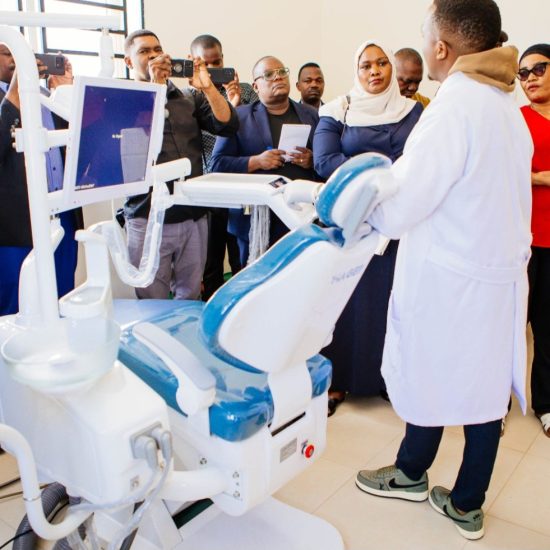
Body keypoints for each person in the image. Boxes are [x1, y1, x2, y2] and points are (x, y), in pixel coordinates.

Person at [355, 0, 532, 541]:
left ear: (441, 46)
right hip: (494, 276)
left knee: (429, 370)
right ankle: (464, 500)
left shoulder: (454, 105)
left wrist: (361, 205)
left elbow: (404, 205)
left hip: (451, 279)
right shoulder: (504, 103)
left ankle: (413, 474)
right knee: (484, 389)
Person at [313, 41, 422, 415]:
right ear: (356, 71)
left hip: (396, 222)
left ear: (392, 68)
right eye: (365, 65)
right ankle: (337, 381)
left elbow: (419, 160)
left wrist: (367, 169)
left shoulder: (412, 111)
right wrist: (383, 174)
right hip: (351, 219)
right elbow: (325, 161)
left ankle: (386, 378)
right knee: (344, 300)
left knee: (389, 300)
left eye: (381, 64)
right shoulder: (337, 110)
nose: (374, 71)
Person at [123, 30, 239, 300]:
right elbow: (138, 144)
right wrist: (156, 86)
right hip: (147, 215)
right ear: (128, 61)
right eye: (144, 51)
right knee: (152, 300)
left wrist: (207, 87)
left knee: (190, 295)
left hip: (192, 214)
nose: (154, 55)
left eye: (157, 49)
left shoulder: (188, 97)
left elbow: (227, 125)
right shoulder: (124, 99)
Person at [211, 56, 319, 265]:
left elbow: (325, 160)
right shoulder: (238, 117)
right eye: (269, 75)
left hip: (302, 218)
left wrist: (311, 160)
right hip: (255, 221)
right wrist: (256, 162)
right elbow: (217, 164)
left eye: (282, 72)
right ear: (255, 86)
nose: (278, 77)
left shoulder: (311, 115)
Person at [0, 45, 81, 315]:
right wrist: (15, 93)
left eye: (23, 52)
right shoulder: (7, 99)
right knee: (17, 305)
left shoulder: (50, 97)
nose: (18, 58)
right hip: (16, 224)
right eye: (8, 53)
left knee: (62, 297)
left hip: (63, 214)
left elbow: (81, 140)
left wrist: (66, 89)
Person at [190, 34, 258, 300]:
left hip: (239, 183)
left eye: (217, 62)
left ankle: (241, 307)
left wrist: (237, 103)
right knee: (212, 259)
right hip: (209, 187)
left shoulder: (247, 91)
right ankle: (211, 310)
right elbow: (206, 136)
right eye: (206, 64)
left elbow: (253, 130)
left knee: (241, 253)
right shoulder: (193, 96)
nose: (212, 69)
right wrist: (229, 108)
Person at [518, 43, 550, 437]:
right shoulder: (517, 120)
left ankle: (546, 403)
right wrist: (541, 177)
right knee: (510, 328)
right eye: (522, 73)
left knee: (548, 328)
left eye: (538, 69)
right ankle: (495, 407)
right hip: (521, 240)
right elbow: (499, 172)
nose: (529, 78)